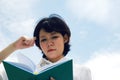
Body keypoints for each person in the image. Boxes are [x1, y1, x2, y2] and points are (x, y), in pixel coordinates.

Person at [0, 14, 92, 80]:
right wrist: (13, 46)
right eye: (44, 39)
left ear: (65, 38)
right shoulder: (28, 73)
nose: (49, 43)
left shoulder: (81, 72)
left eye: (54, 37)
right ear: (39, 43)